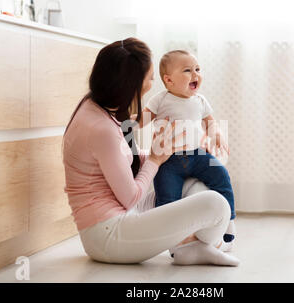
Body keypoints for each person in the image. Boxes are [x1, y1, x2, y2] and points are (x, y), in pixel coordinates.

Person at [62, 38, 240, 266]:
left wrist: (175, 149)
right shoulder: (102, 129)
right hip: (109, 235)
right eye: (149, 79)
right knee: (215, 204)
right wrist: (155, 159)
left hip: (121, 215)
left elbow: (120, 162)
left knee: (196, 182)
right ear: (130, 84)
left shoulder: (97, 107)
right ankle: (203, 245)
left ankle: (190, 249)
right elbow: (130, 198)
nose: (152, 84)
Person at [136, 50, 236, 253]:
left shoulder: (200, 100)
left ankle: (229, 221)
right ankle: (171, 242)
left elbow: (210, 123)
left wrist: (215, 134)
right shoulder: (160, 100)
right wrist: (128, 120)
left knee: (222, 176)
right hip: (169, 160)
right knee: (166, 198)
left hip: (197, 154)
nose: (195, 74)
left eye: (198, 69)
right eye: (188, 70)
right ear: (169, 80)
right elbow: (142, 121)